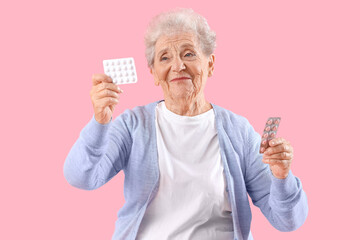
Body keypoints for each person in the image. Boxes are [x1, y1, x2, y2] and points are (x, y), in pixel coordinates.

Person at [63, 8, 308, 240]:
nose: (177, 66)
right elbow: (81, 177)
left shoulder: (239, 131)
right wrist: (100, 123)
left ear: (210, 64)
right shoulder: (133, 125)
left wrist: (282, 177)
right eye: (164, 57)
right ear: (153, 73)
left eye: (189, 53)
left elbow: (288, 221)